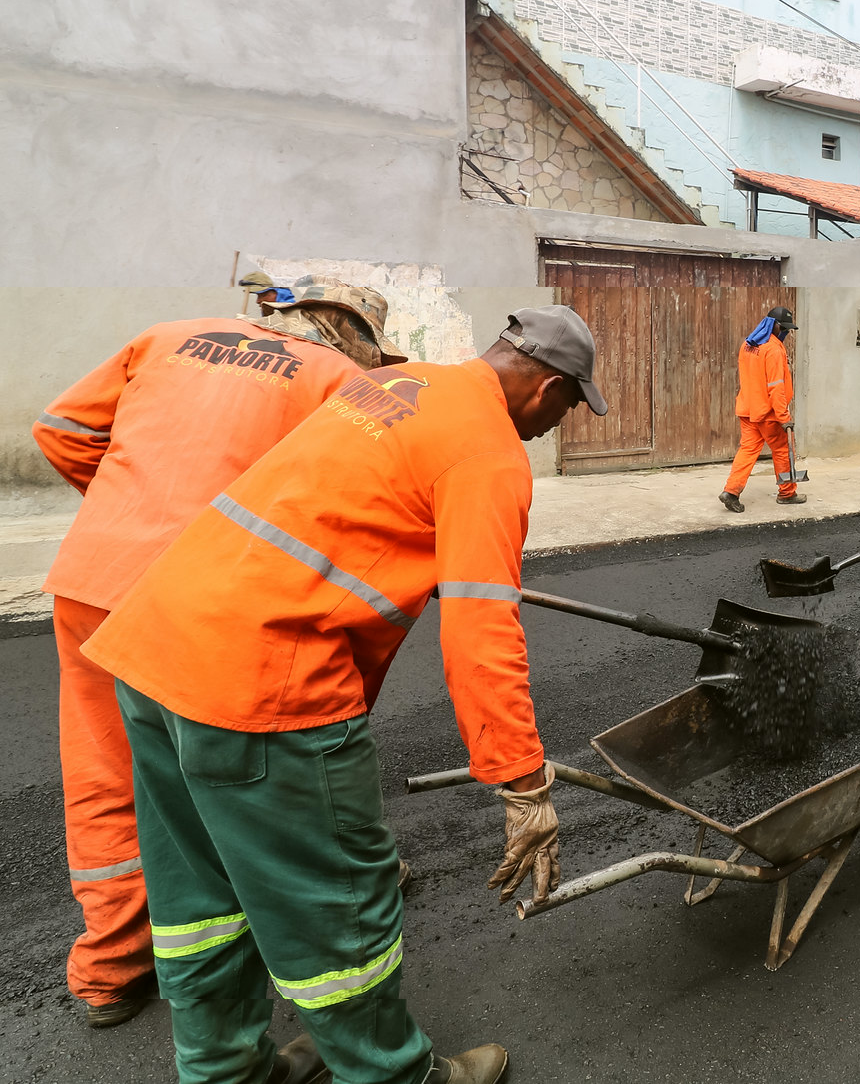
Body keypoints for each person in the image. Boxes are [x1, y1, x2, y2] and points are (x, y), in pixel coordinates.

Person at [81, 306, 607, 1084]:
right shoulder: (488, 450)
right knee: (339, 901)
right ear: (550, 388)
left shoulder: (396, 383)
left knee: (200, 898)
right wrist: (524, 783)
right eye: (568, 407)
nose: (556, 424)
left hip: (154, 647)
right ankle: (395, 1075)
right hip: (260, 680)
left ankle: (227, 1071)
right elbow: (481, 632)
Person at [30, 285, 390, 1029]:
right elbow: (345, 503)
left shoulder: (167, 335)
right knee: (228, 765)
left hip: (92, 581)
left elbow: (60, 428)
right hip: (208, 599)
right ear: (354, 338)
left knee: (106, 772)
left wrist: (128, 511)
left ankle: (109, 968)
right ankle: (265, 915)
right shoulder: (339, 382)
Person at [722, 306, 802, 512]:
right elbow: (775, 386)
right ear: (774, 326)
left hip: (747, 409)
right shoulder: (773, 349)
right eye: (784, 328)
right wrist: (784, 417)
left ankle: (731, 491)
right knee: (783, 449)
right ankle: (787, 493)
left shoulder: (748, 344)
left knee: (748, 450)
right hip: (767, 413)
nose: (786, 333)